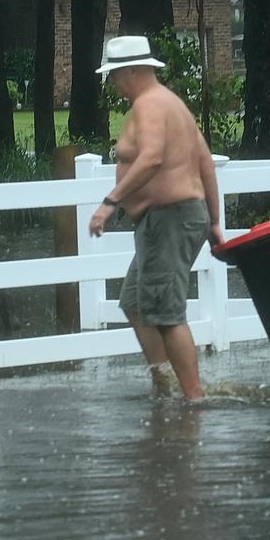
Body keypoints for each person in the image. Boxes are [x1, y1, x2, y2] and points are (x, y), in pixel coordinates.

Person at [87, 35, 224, 402]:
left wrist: (109, 202)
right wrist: (213, 222)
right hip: (173, 219)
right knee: (135, 302)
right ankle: (164, 384)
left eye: (115, 74)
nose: (113, 82)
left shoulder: (149, 106)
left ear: (133, 70)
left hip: (170, 219)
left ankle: (193, 399)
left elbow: (151, 159)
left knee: (165, 313)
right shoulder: (174, 105)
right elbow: (205, 162)